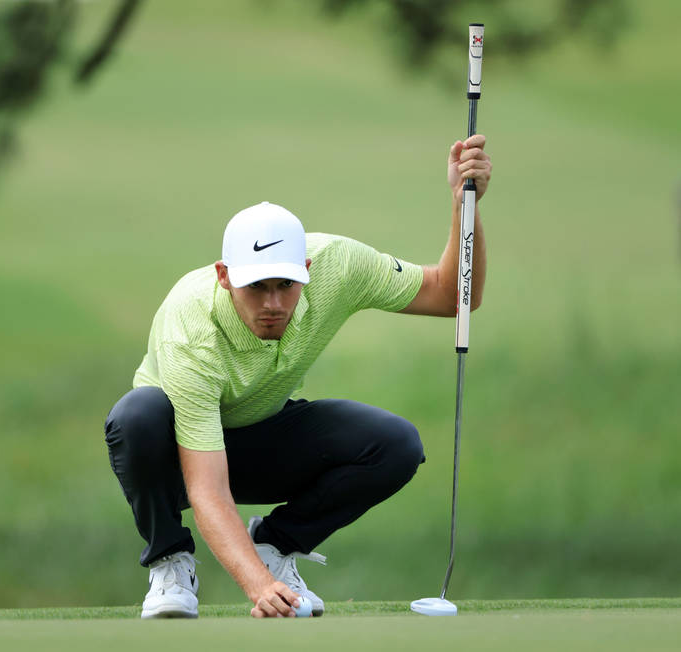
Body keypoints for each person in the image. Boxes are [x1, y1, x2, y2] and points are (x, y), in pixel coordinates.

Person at [104, 135, 491, 619]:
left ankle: (275, 545)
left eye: (286, 285)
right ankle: (170, 562)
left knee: (395, 444)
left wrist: (462, 205)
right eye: (256, 287)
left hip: (261, 437)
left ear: (306, 270)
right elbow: (207, 488)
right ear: (224, 276)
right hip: (174, 456)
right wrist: (258, 588)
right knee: (137, 415)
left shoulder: (338, 266)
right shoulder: (190, 327)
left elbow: (452, 296)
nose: (272, 303)